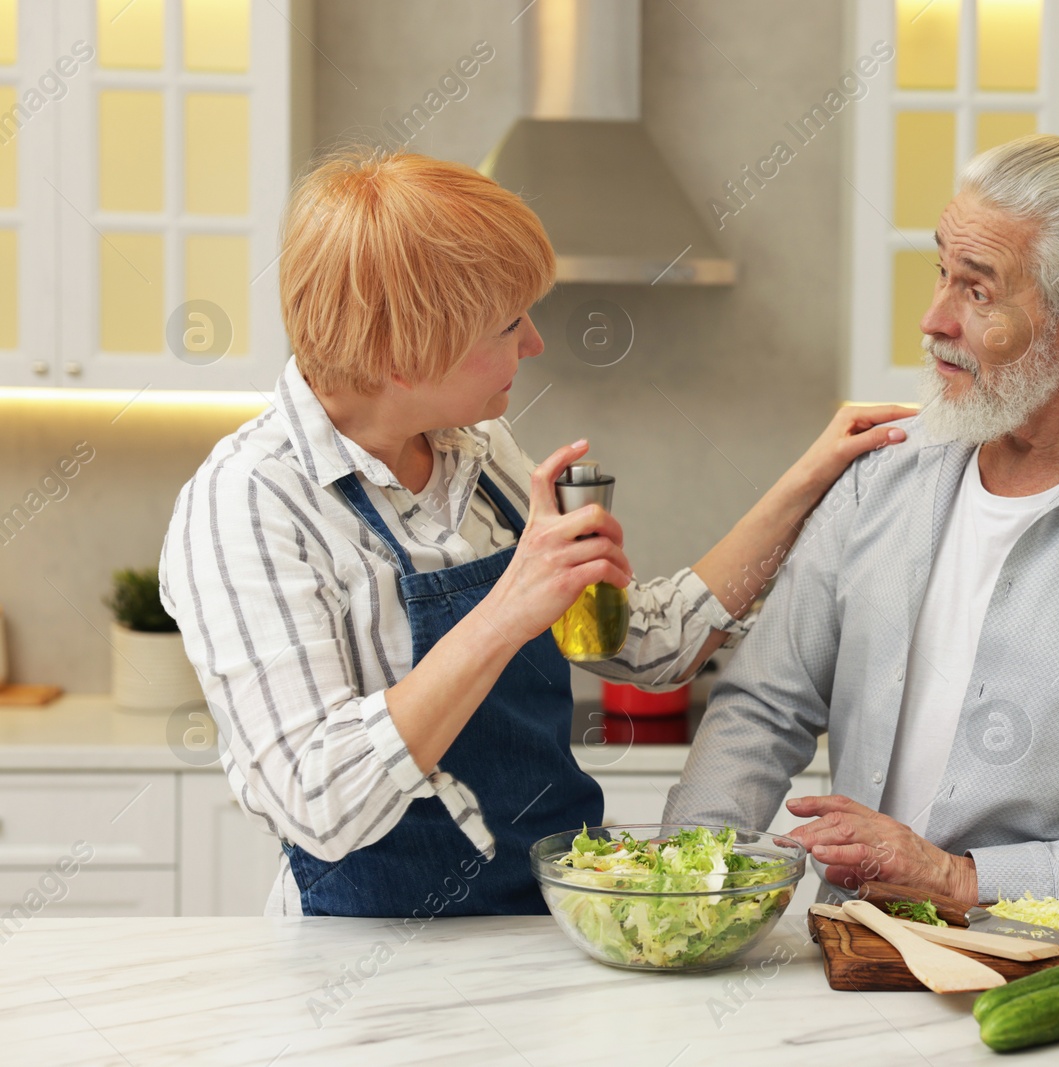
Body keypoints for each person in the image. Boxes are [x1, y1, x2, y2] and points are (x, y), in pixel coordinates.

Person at [158, 149, 913, 917]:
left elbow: (649, 644)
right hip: (366, 959)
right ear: (406, 353)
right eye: (508, 323)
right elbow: (320, 802)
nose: (535, 344)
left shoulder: (478, 453)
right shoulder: (248, 503)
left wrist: (808, 479)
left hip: (561, 923)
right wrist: (508, 608)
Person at [664, 135, 1059, 906]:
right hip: (855, 963)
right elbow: (764, 707)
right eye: (940, 272)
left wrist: (964, 878)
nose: (933, 319)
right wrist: (683, 885)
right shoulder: (878, 474)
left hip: (1051, 985)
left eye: (977, 291)